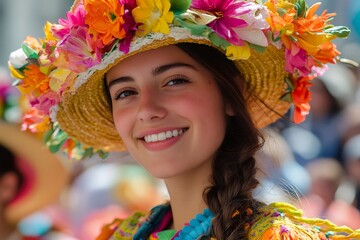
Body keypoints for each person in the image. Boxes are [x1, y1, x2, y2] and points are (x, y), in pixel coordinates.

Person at [8, 0, 360, 239]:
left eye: (174, 81)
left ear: (229, 96)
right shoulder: (120, 234)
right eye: (125, 93)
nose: (147, 109)